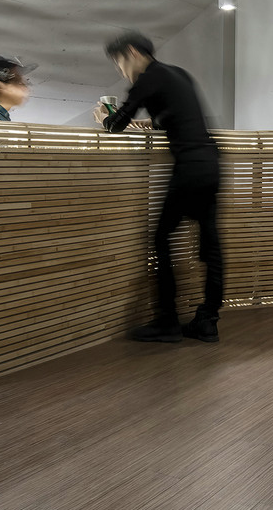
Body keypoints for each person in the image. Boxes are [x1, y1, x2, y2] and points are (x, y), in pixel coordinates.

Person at [94, 30, 223, 343]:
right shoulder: (178, 74)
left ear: (133, 53)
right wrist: (151, 123)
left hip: (189, 168)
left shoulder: (147, 79)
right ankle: (207, 321)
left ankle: (167, 320)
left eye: (119, 64)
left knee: (161, 238)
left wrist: (102, 118)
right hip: (210, 164)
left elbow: (116, 124)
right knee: (211, 247)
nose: (121, 72)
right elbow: (182, 116)